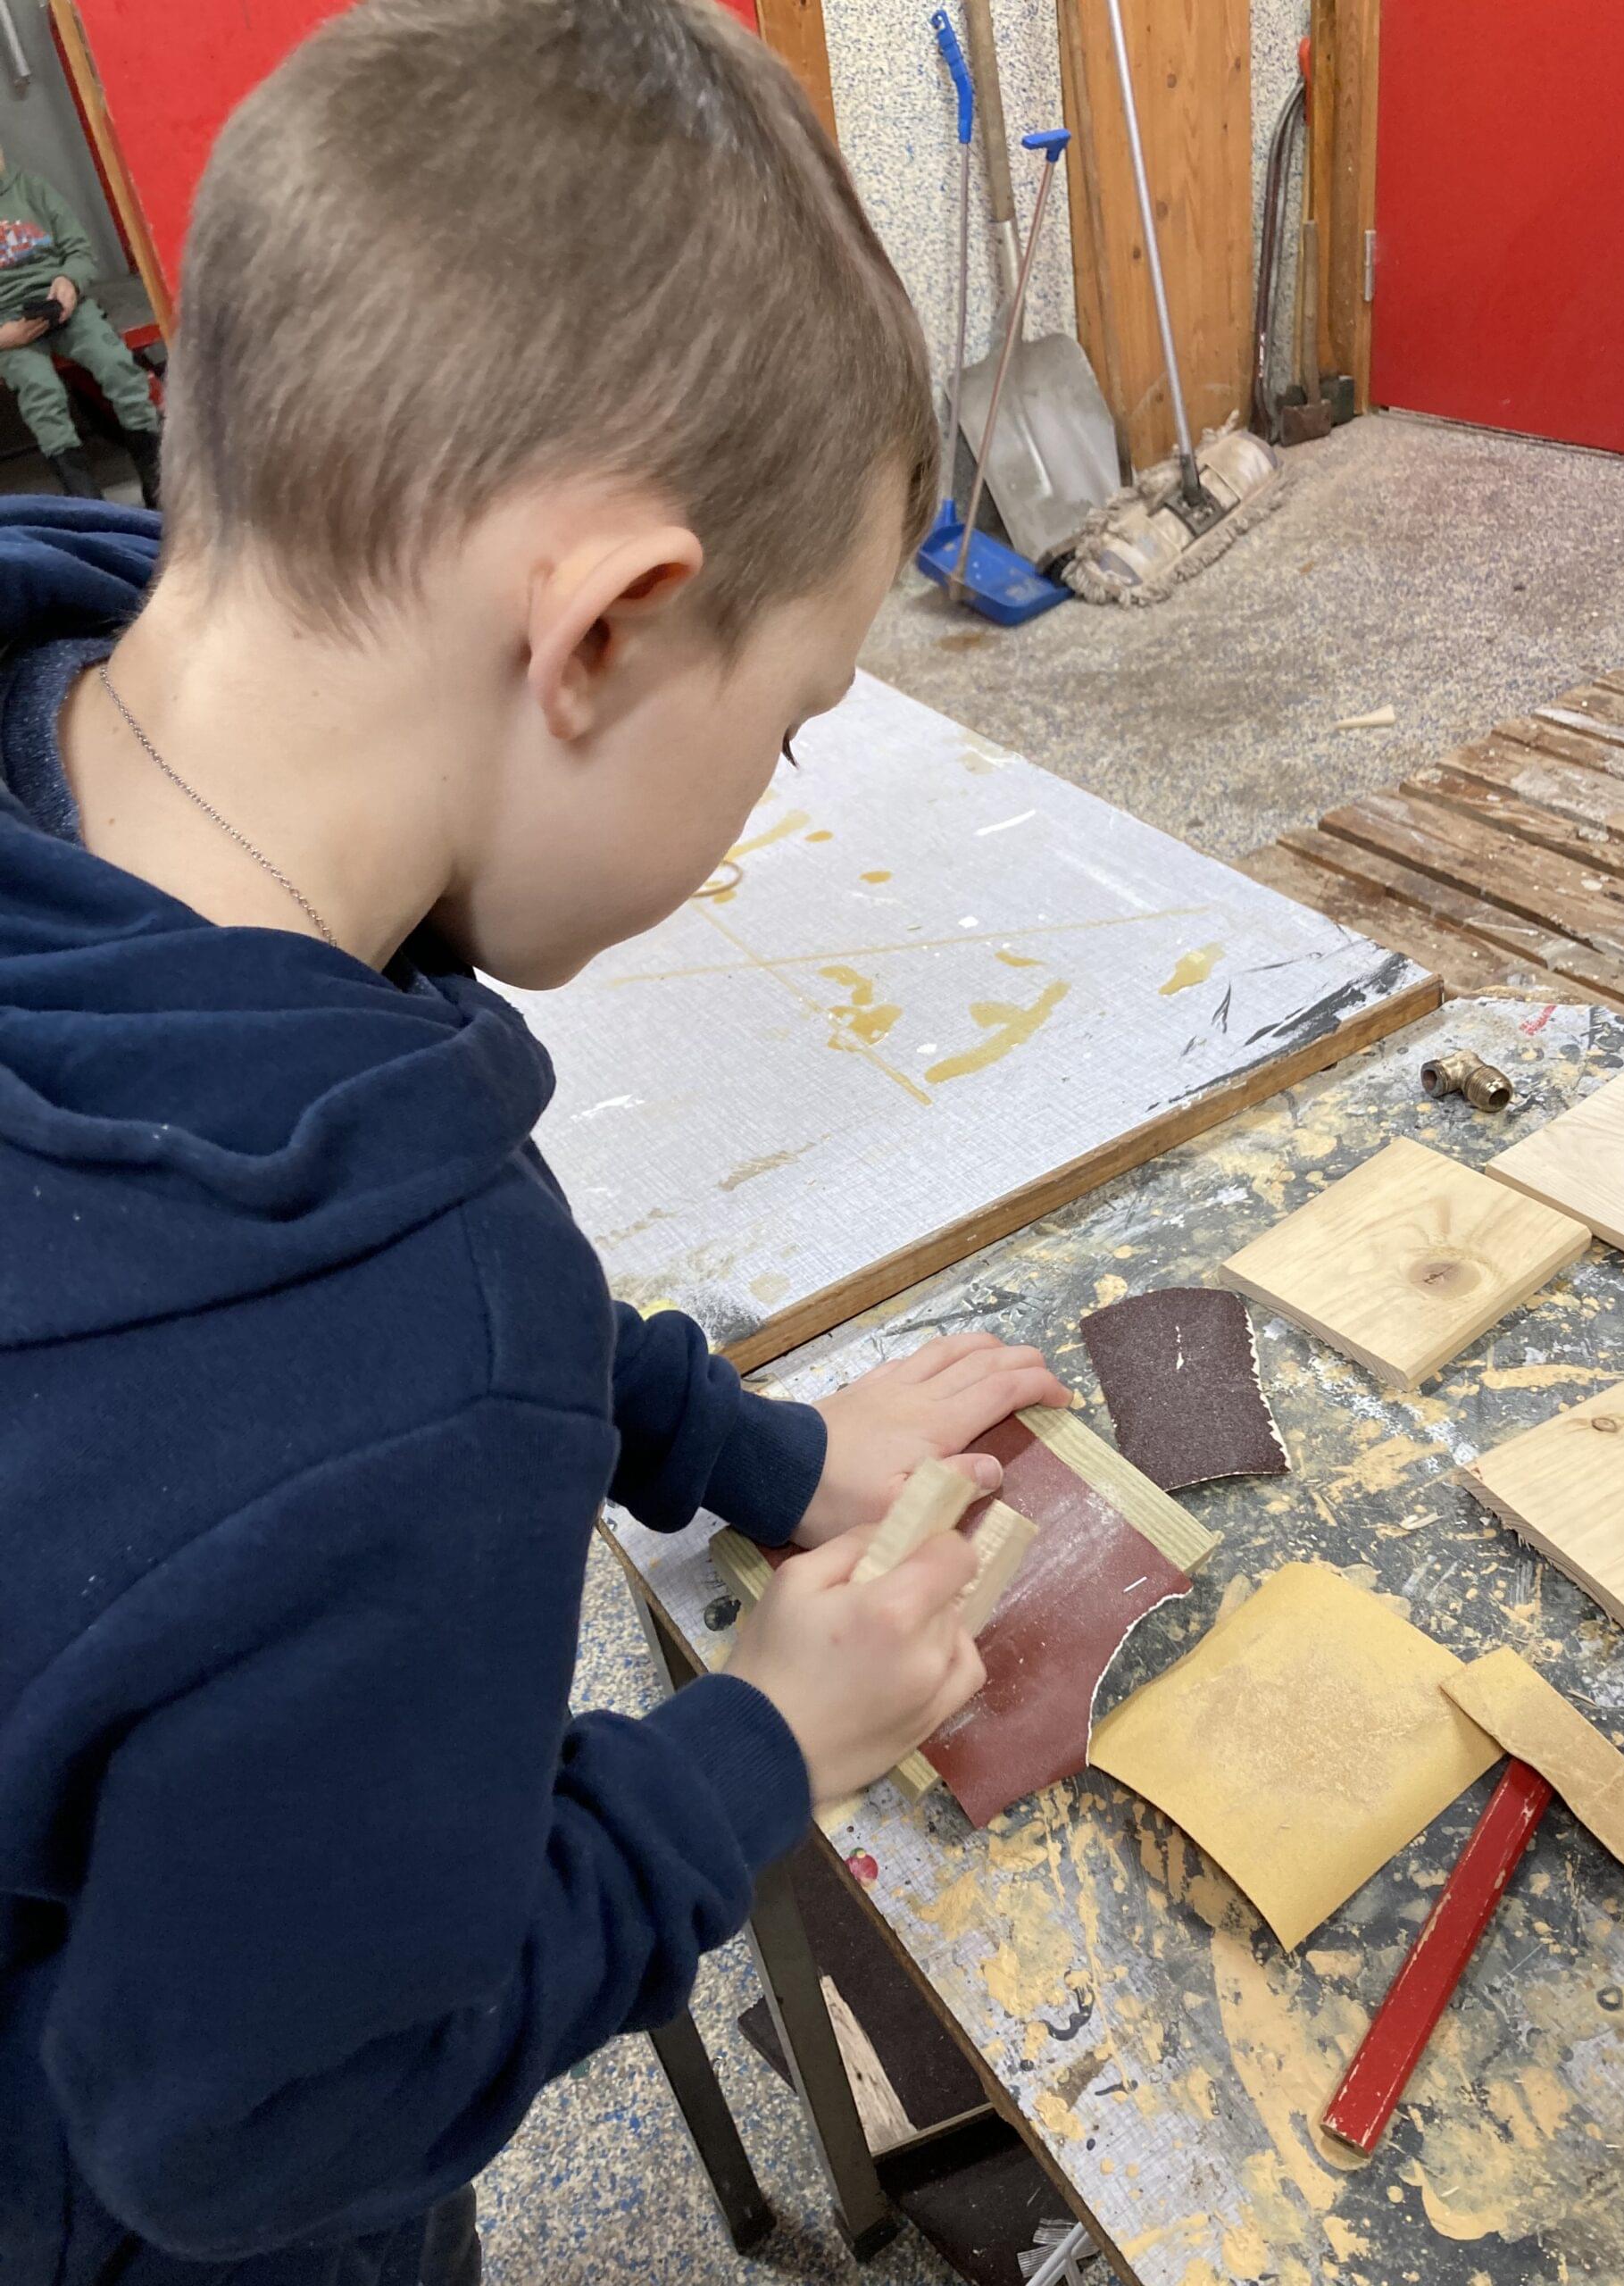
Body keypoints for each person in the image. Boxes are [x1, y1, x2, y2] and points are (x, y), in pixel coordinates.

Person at [0, 7, 1070, 2286]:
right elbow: (269, 2120)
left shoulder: (83, 716)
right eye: (784, 725)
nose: (767, 797)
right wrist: (754, 1743)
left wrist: (741, 1448)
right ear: (599, 629)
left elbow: (291, 1230)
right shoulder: (415, 1347)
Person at [0, 147, 160, 505]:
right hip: (7, 326)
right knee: (40, 391)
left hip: (62, 305)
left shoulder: (33, 189)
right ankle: (86, 498)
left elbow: (79, 250)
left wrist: (69, 282)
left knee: (118, 365)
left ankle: (155, 478)